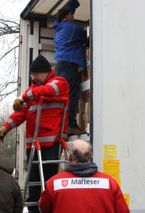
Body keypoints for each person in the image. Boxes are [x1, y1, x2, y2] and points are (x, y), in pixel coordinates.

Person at [0, 54, 69, 213]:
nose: (33, 78)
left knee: (48, 182)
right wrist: (6, 128)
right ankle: (34, 210)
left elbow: (49, 90)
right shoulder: (33, 89)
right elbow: (21, 113)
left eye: (36, 74)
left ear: (46, 72)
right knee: (34, 182)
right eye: (32, 75)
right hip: (34, 145)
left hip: (51, 144)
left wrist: (23, 96)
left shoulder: (59, 83)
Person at [39, 139, 129, 213]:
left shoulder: (54, 184)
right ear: (90, 156)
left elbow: (44, 209)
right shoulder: (109, 183)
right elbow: (123, 210)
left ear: (70, 157)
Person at [53, 0, 88, 135]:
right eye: (72, 14)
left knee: (63, 97)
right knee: (72, 95)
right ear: (67, 15)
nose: (73, 17)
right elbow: (87, 39)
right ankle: (71, 125)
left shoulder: (59, 28)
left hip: (60, 67)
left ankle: (63, 124)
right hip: (69, 66)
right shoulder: (73, 28)